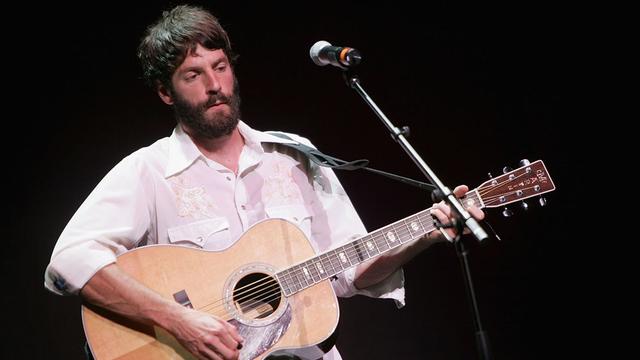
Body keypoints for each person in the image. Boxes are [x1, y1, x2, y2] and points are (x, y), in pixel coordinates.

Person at [44, 4, 484, 360]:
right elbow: (70, 262)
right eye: (194, 75)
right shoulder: (149, 170)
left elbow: (352, 270)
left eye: (220, 67)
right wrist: (180, 321)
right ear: (166, 92)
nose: (215, 85)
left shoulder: (295, 155)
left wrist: (427, 232)